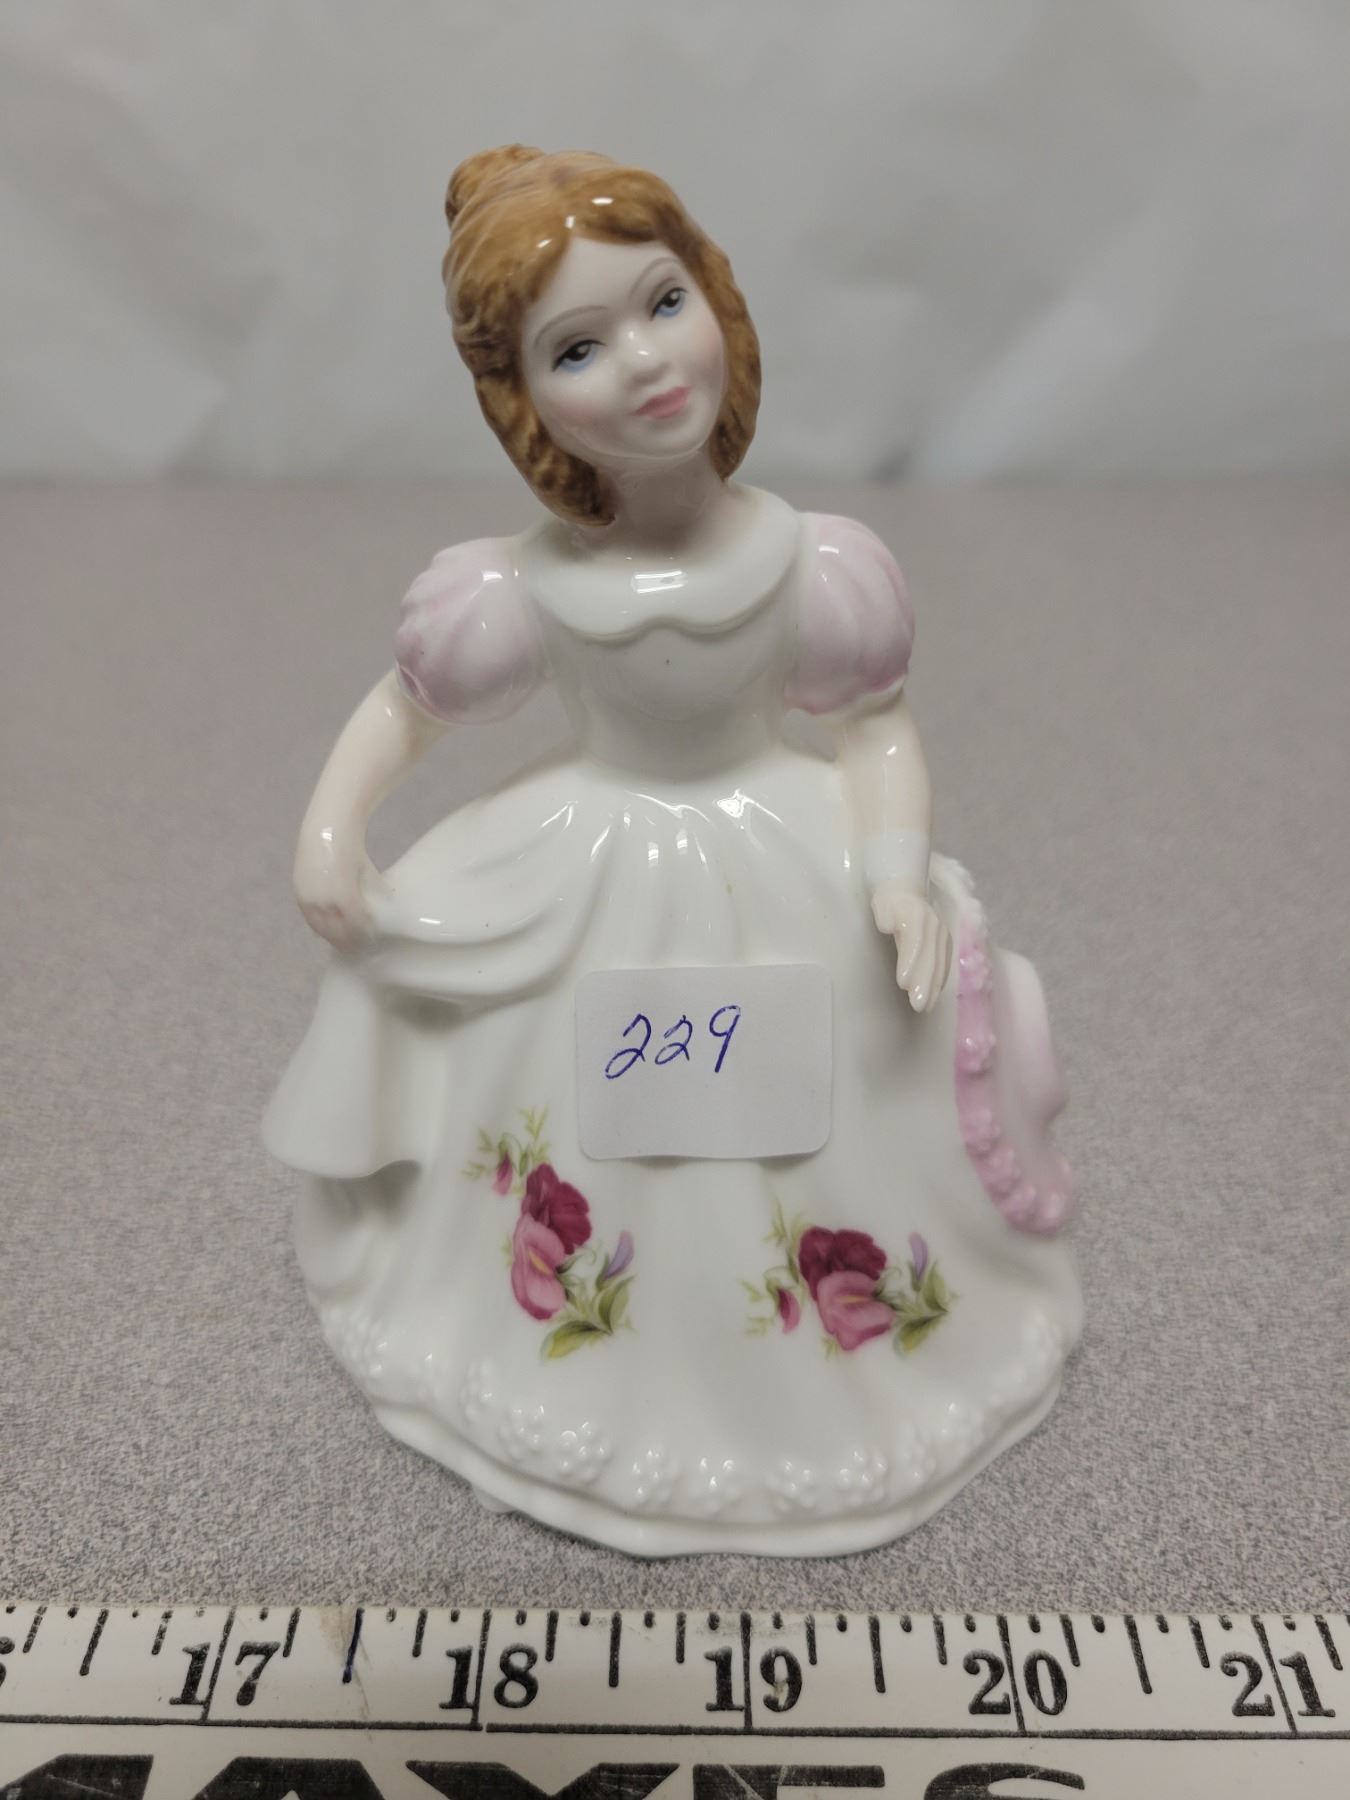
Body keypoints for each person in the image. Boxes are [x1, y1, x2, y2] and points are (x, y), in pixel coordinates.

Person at [263, 146, 1082, 1555]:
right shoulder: (520, 587)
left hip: (776, 845)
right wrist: (331, 828)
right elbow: (408, 707)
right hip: (589, 861)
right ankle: (567, 1348)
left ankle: (835, 1353)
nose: (643, 363)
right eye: (578, 348)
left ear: (717, 297)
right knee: (469, 1013)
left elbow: (874, 727)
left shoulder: (816, 564)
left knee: (835, 1089)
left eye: (660, 303)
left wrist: (892, 868)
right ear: (523, 402)